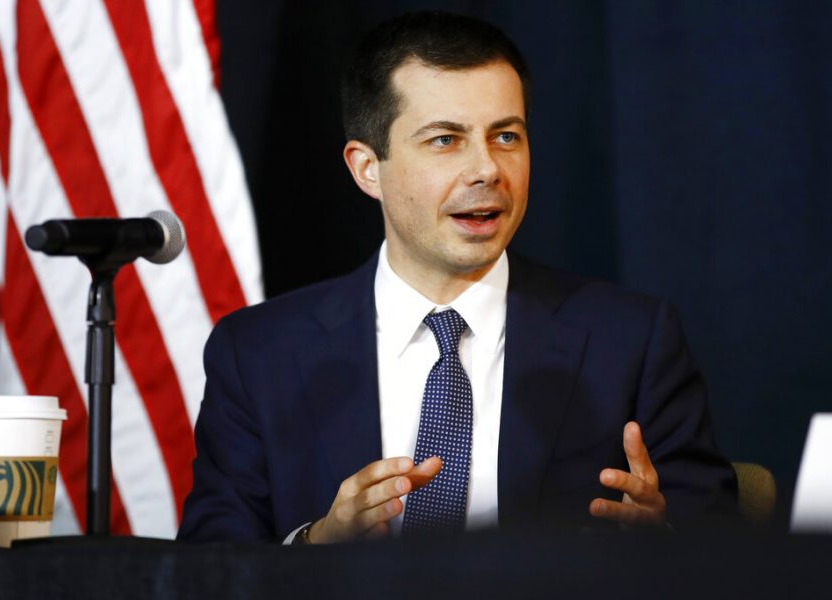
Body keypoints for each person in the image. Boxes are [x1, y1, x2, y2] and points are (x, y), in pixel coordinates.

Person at [178, 11, 736, 544]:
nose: (487, 168)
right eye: (445, 139)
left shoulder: (632, 341)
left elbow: (724, 547)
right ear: (367, 168)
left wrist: (664, 540)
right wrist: (314, 546)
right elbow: (208, 565)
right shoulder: (257, 354)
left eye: (506, 136)